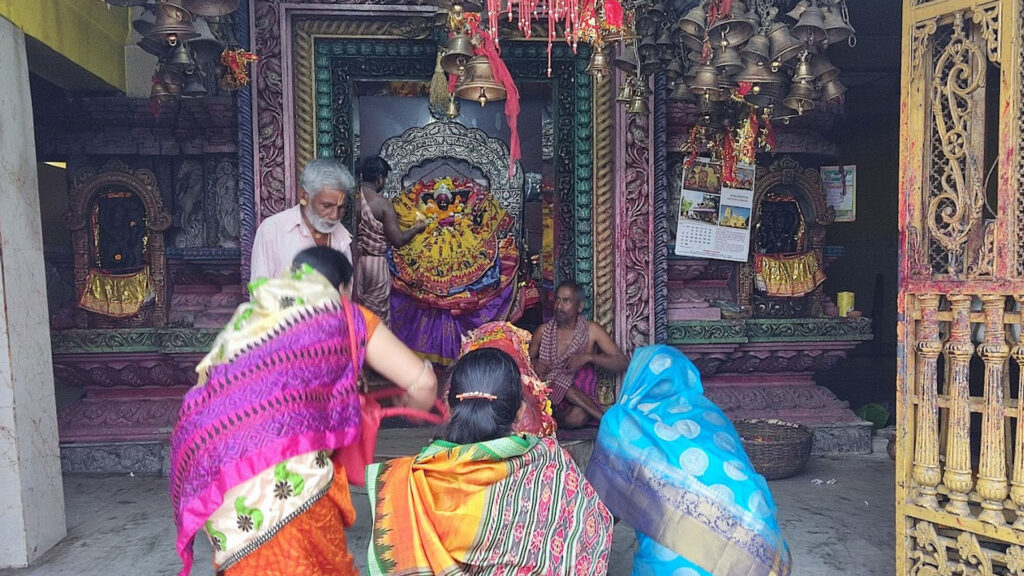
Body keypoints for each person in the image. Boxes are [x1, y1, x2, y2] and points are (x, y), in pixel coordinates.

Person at [170, 246, 436, 576]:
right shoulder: (340, 312)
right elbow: (422, 383)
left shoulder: (252, 317)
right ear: (343, 289)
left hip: (218, 467)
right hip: (288, 472)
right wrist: (413, 409)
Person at [366, 347, 614, 575]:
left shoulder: (408, 483)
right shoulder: (551, 463)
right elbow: (594, 530)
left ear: (448, 407)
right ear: (519, 412)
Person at [586, 345, 792, 576]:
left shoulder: (624, 424)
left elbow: (602, 503)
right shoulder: (710, 414)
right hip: (754, 538)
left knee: (662, 535)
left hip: (672, 559)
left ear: (638, 377)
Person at [529, 281, 628, 428]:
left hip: (579, 402)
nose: (559, 306)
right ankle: (605, 420)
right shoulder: (543, 331)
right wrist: (535, 364)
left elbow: (622, 362)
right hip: (548, 398)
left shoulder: (592, 330)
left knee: (577, 417)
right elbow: (523, 363)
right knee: (554, 386)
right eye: (557, 299)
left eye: (566, 301)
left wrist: (589, 357)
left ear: (580, 306)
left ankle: (553, 423)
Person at [250, 159, 355, 281]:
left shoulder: (342, 236)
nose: (334, 216)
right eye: (327, 206)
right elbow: (260, 292)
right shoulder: (272, 230)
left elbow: (346, 293)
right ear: (304, 196)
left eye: (341, 207)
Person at [354, 156, 426, 324]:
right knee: (377, 316)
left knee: (358, 312)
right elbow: (398, 240)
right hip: (376, 265)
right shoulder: (382, 204)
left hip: (356, 263)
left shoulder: (353, 202)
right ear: (379, 178)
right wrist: (417, 228)